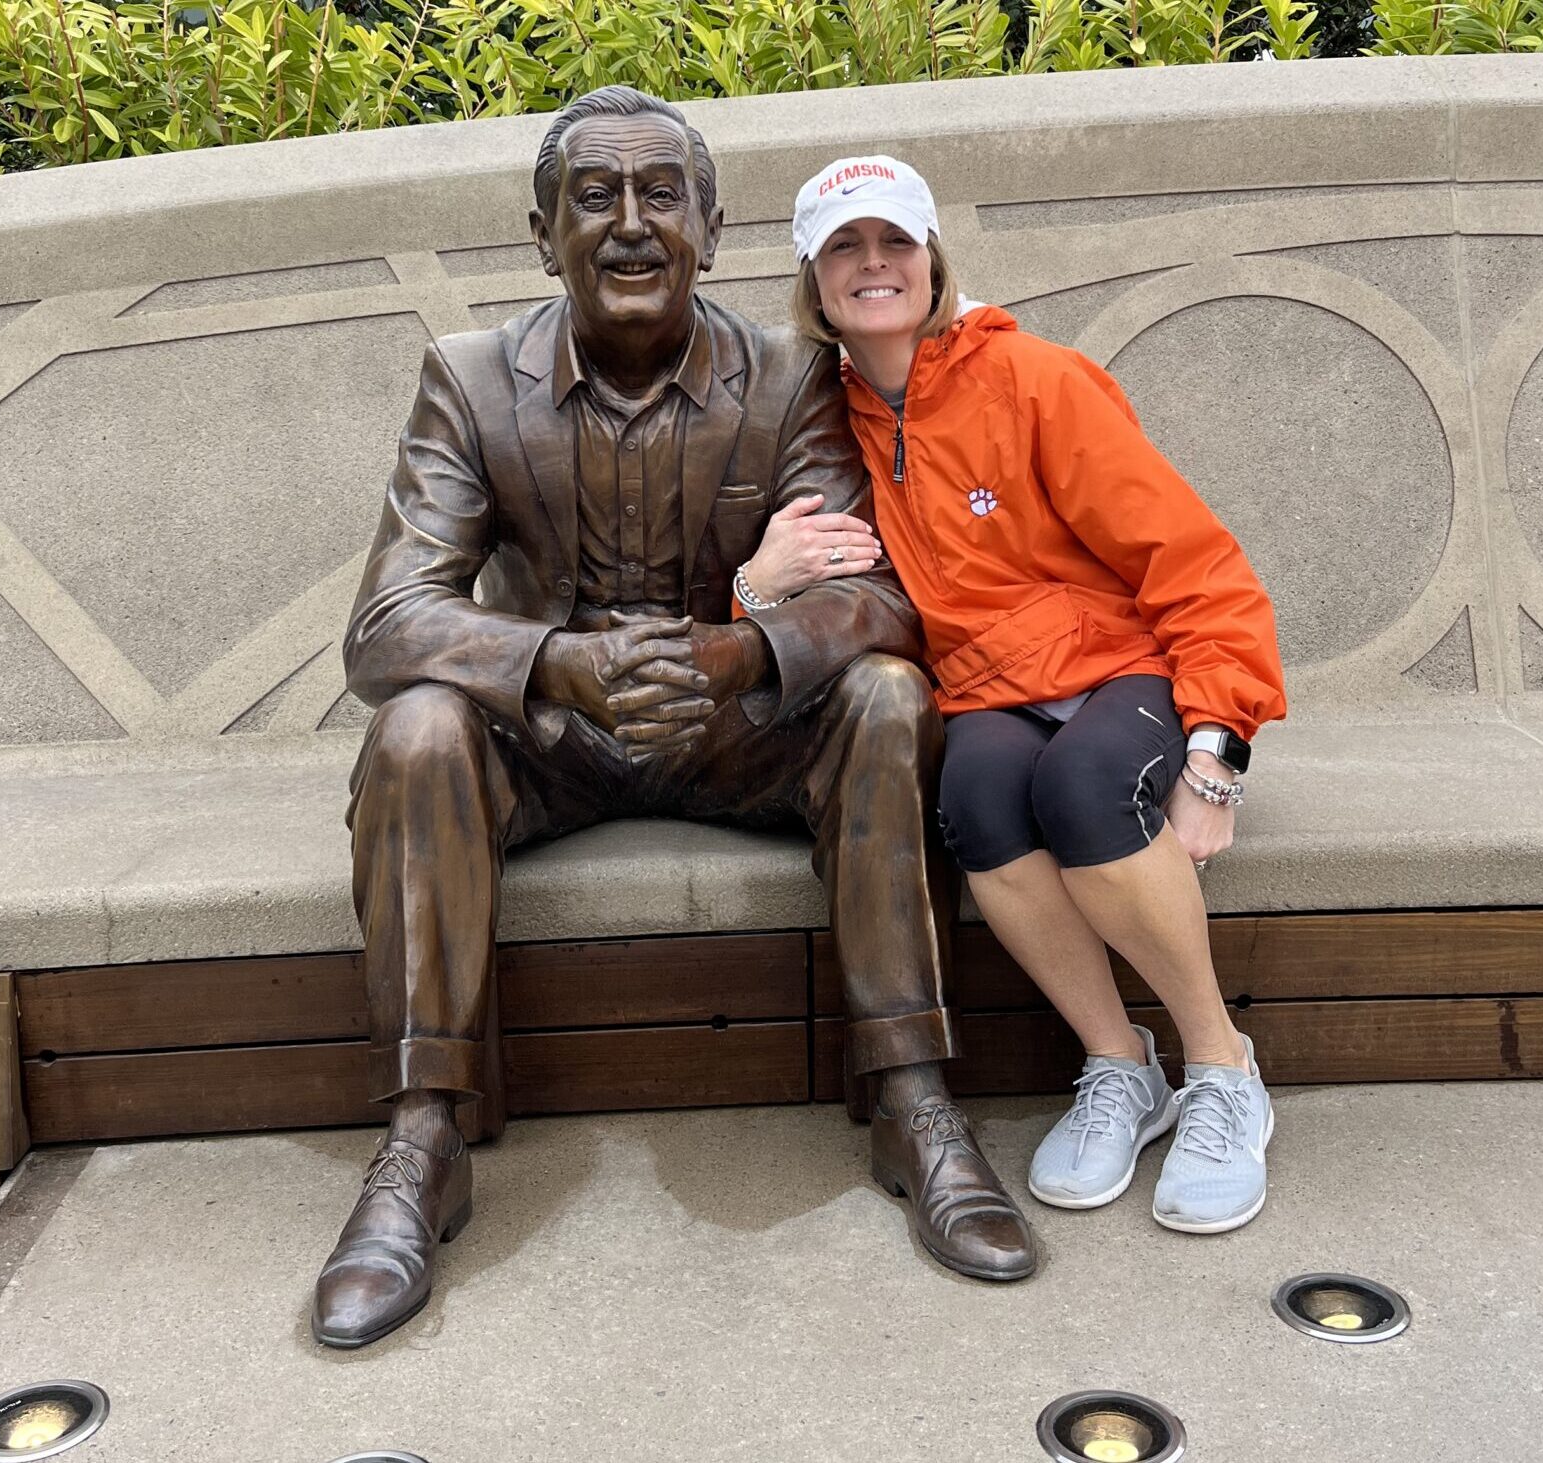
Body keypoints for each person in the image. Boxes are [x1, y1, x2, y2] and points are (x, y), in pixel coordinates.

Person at [317, 96, 1037, 1350]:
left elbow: (878, 596)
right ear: (544, 234)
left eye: (664, 196)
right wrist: (556, 662)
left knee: (884, 692)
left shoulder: (790, 382)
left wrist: (739, 646)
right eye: (596, 197)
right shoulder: (473, 380)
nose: (633, 224)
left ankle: (914, 1100)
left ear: (712, 226)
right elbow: (387, 623)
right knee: (419, 727)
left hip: (733, 725)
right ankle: (422, 1134)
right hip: (555, 742)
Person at [737, 155, 1288, 1234]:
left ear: (932, 257)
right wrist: (760, 579)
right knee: (979, 795)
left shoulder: (1037, 379)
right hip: (983, 688)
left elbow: (1196, 566)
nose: (874, 264)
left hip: (1118, 667)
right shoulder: (815, 426)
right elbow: (759, 587)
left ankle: (1221, 1065)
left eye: (895, 241)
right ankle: (1120, 1066)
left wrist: (1215, 756)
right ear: (814, 281)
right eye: (845, 247)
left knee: (1084, 787)